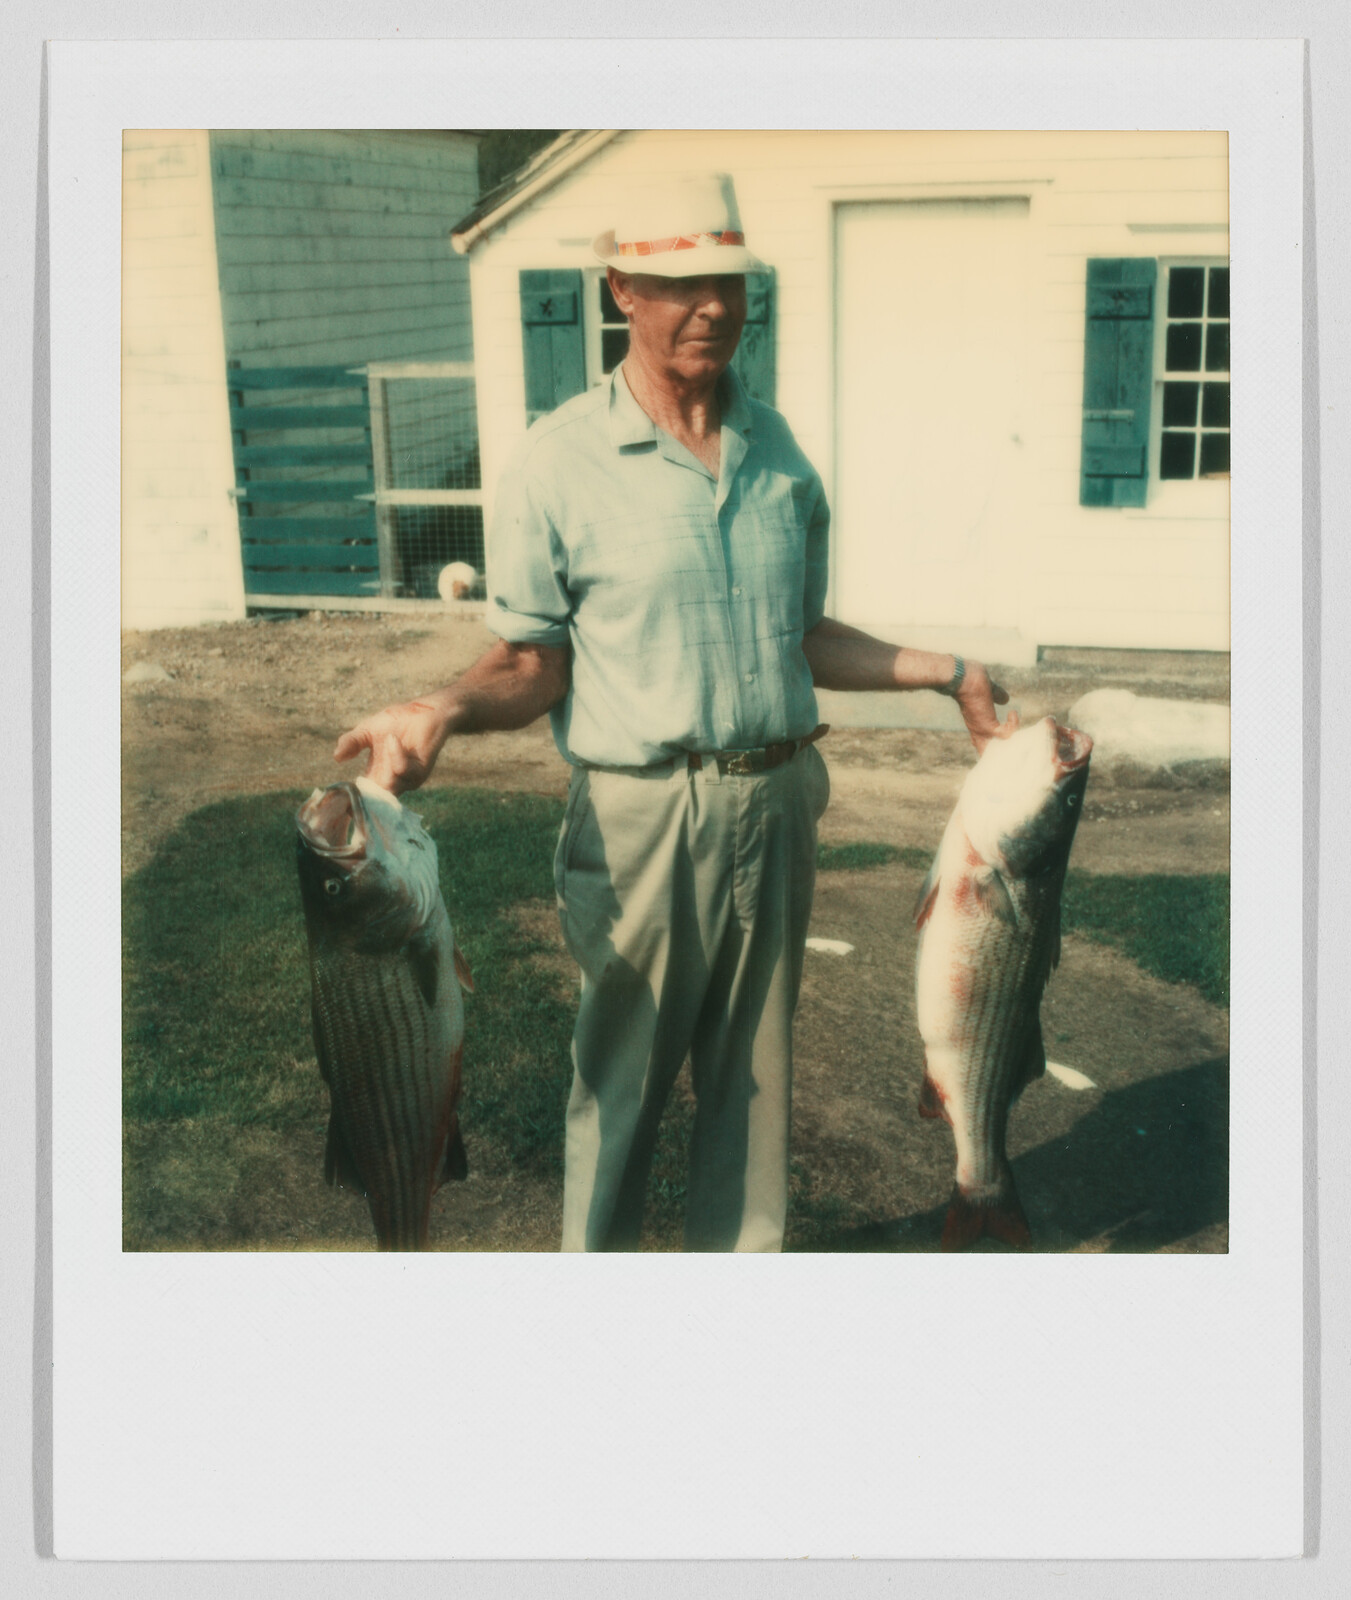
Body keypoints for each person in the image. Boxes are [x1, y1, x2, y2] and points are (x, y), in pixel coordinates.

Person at [335, 172, 1008, 1253]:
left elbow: (804, 635)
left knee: (755, 1085)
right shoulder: (559, 460)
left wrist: (946, 668)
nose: (707, 306)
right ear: (621, 292)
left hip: (779, 803)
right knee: (625, 1081)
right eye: (675, 281)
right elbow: (528, 659)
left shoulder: (778, 448)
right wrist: (439, 706)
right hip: (643, 816)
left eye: (725, 282)